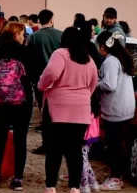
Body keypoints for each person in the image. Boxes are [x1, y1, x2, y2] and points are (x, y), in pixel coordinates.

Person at [38, 27, 98, 193]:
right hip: (81, 111)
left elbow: (51, 73)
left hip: (58, 109)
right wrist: (84, 96)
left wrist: (42, 86)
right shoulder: (87, 58)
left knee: (54, 150)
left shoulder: (61, 54)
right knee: (74, 151)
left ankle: (51, 186)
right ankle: (74, 186)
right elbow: (94, 82)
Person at [0, 22, 34, 191]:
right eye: (22, 34)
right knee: (20, 140)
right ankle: (18, 178)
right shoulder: (26, 53)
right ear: (16, 35)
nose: (24, 38)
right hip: (22, 103)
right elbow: (31, 78)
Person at [95, 30, 136, 192]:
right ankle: (117, 177)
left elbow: (109, 85)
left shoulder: (110, 61)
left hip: (115, 110)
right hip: (125, 108)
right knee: (119, 145)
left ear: (103, 46)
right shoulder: (122, 58)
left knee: (114, 146)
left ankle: (115, 178)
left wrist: (96, 83)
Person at [27, 9, 62, 155]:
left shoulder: (34, 37)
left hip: (41, 79)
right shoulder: (60, 35)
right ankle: (59, 144)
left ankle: (47, 144)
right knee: (59, 115)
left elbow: (30, 59)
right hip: (60, 80)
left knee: (45, 114)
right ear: (52, 19)